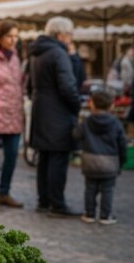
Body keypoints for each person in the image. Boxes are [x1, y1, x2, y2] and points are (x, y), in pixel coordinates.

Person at [29, 16, 82, 217]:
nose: (71, 38)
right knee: (58, 158)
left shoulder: (36, 53)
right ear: (60, 34)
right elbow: (68, 86)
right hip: (58, 113)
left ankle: (44, 201)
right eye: (70, 34)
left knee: (45, 158)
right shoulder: (58, 54)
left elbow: (29, 85)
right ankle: (57, 204)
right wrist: (76, 106)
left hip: (41, 110)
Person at [73, 90, 127, 225]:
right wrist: (122, 161)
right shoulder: (116, 123)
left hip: (90, 161)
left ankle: (89, 213)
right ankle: (105, 215)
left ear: (92, 104)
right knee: (108, 190)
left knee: (90, 189)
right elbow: (122, 143)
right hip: (110, 162)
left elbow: (76, 135)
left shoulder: (87, 121)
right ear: (111, 106)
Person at [0, 20, 25, 208]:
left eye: (16, 36)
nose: (13, 40)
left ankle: (4, 193)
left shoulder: (16, 57)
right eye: (9, 36)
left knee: (11, 156)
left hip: (14, 114)